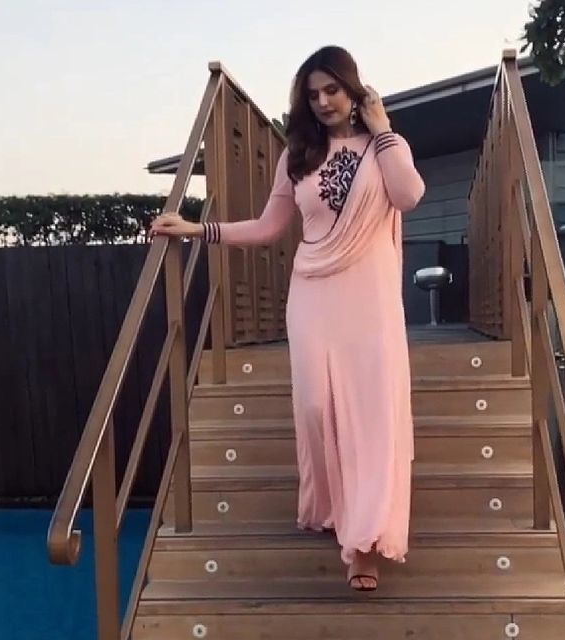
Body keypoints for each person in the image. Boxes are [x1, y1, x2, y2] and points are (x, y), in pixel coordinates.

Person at [150, 45, 426, 591]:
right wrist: (198, 229)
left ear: (353, 89)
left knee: (370, 414)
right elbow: (268, 226)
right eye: (313, 94)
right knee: (317, 407)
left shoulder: (384, 146)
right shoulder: (297, 155)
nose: (323, 101)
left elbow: (409, 194)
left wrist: (383, 128)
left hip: (369, 297)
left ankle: (363, 542)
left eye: (332, 90)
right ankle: (334, 507)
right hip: (312, 293)